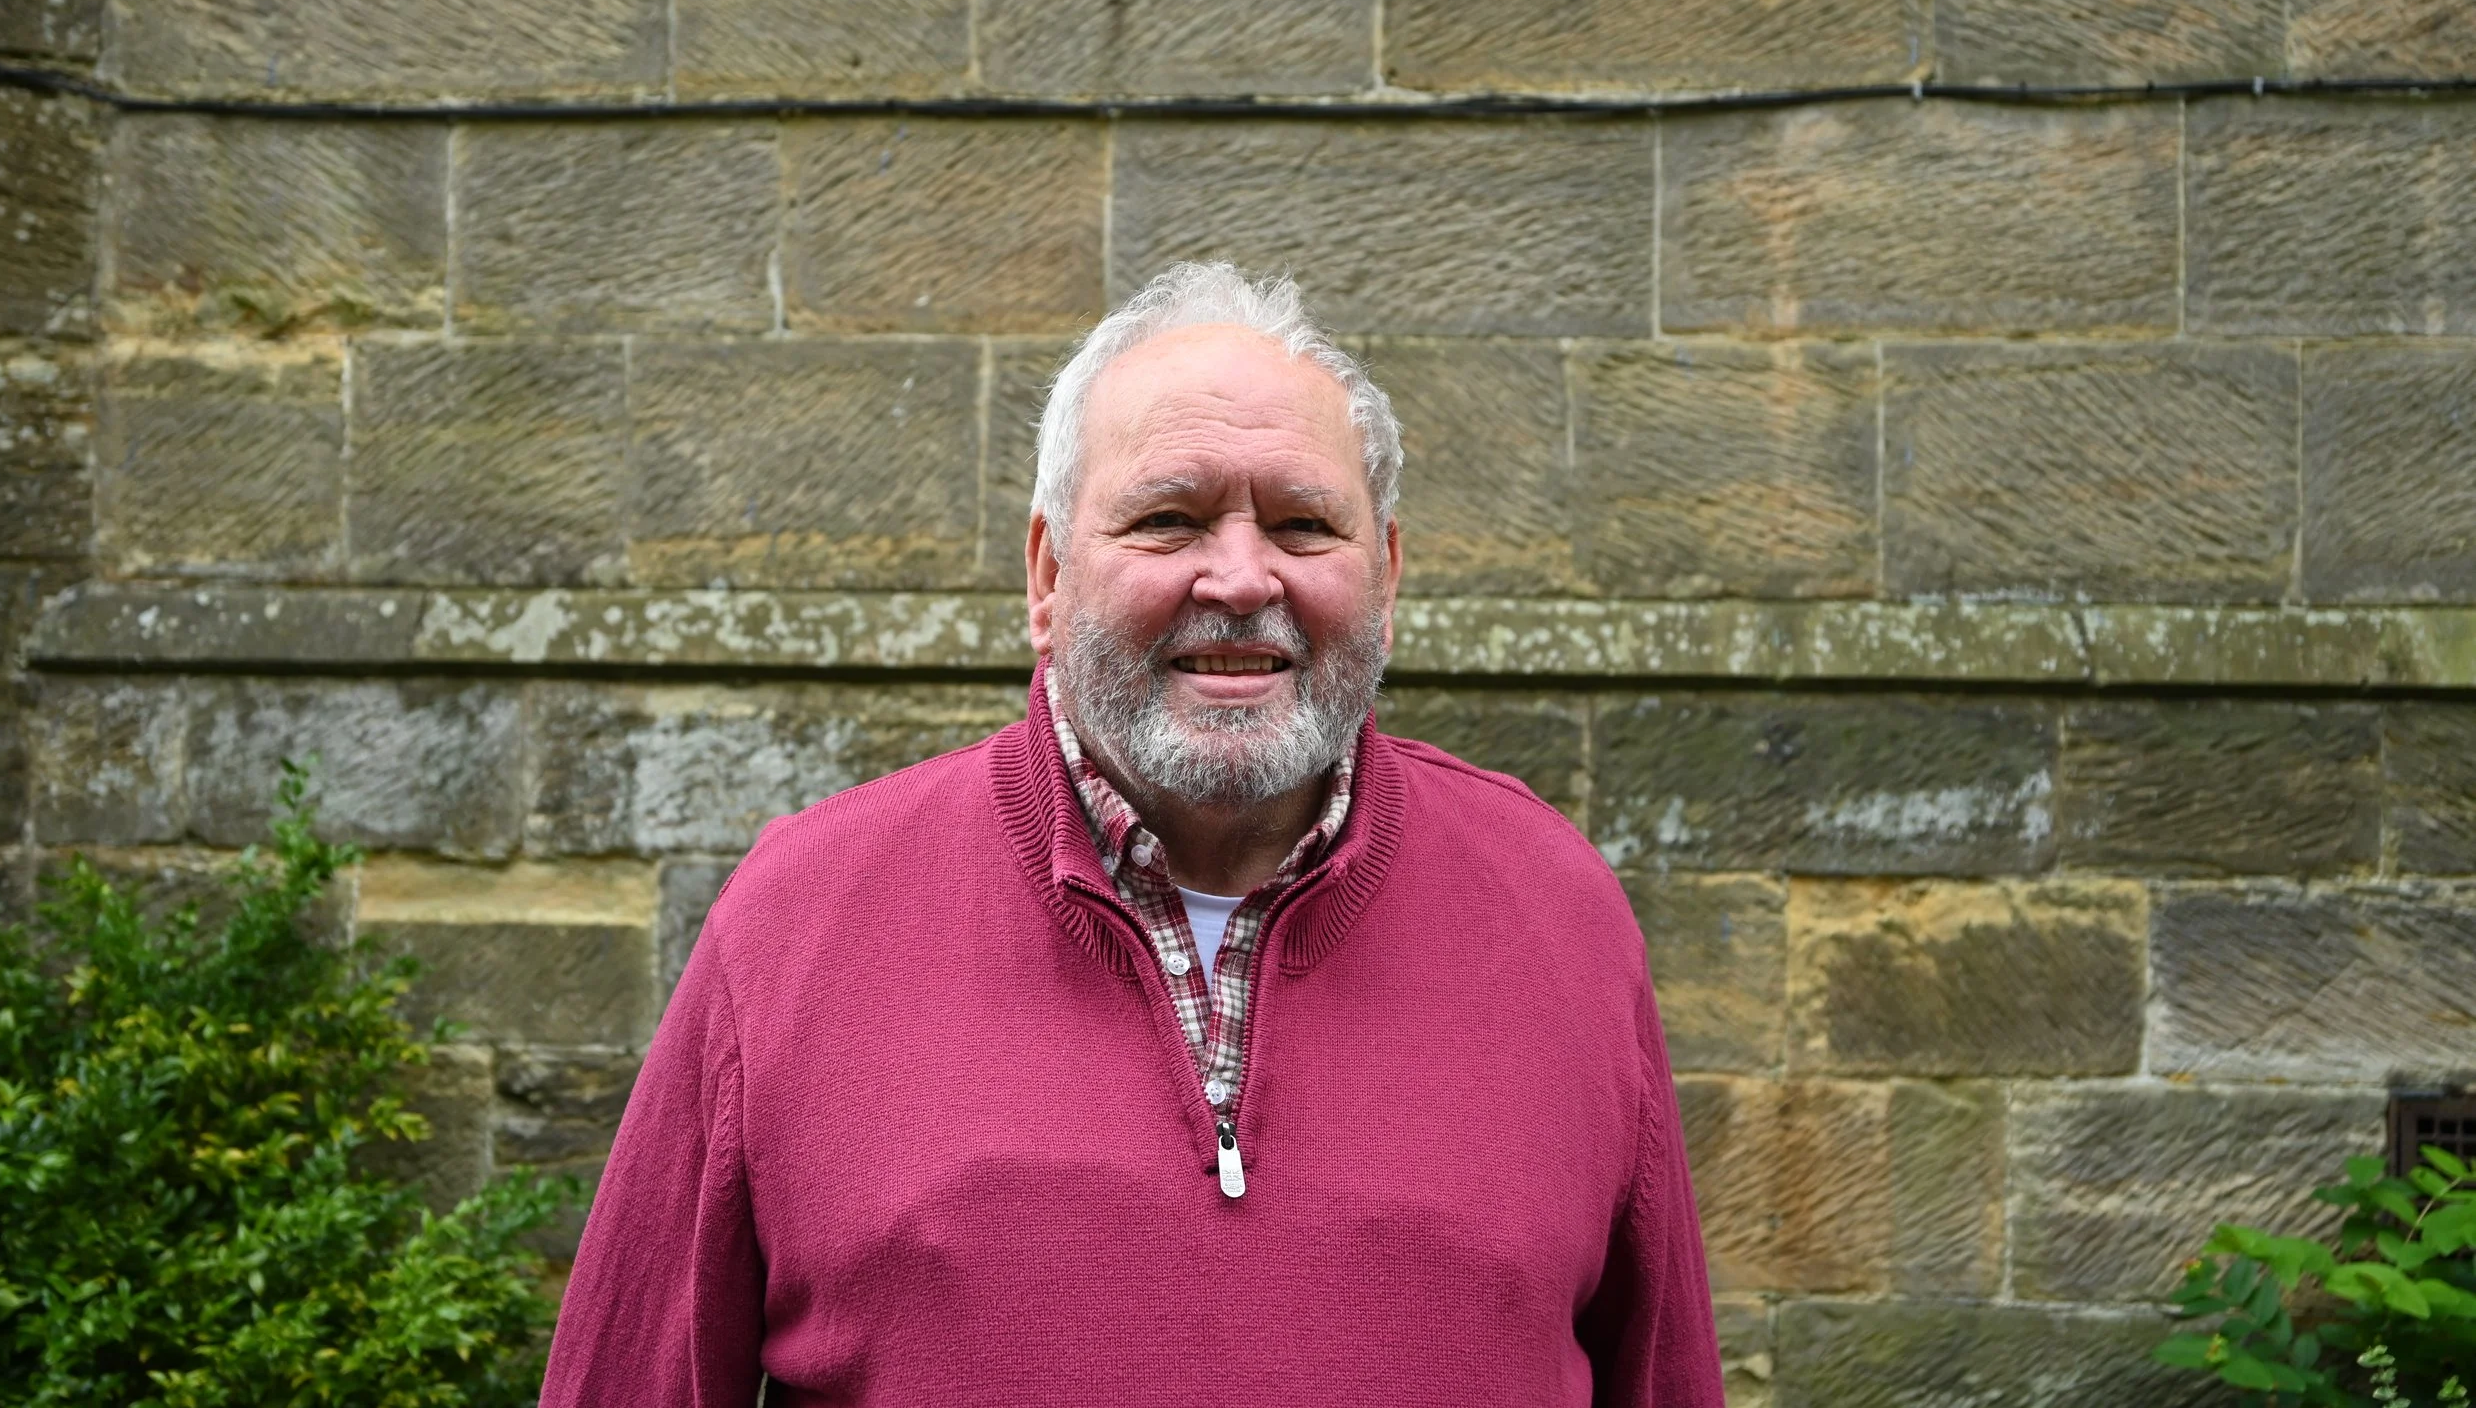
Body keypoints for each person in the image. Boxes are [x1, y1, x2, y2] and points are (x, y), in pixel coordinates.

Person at [540, 262, 1723, 1407]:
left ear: (1390, 573)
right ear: (1048, 574)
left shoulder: (1558, 912)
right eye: (1169, 518)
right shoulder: (798, 920)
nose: (1240, 577)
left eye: (1306, 523)